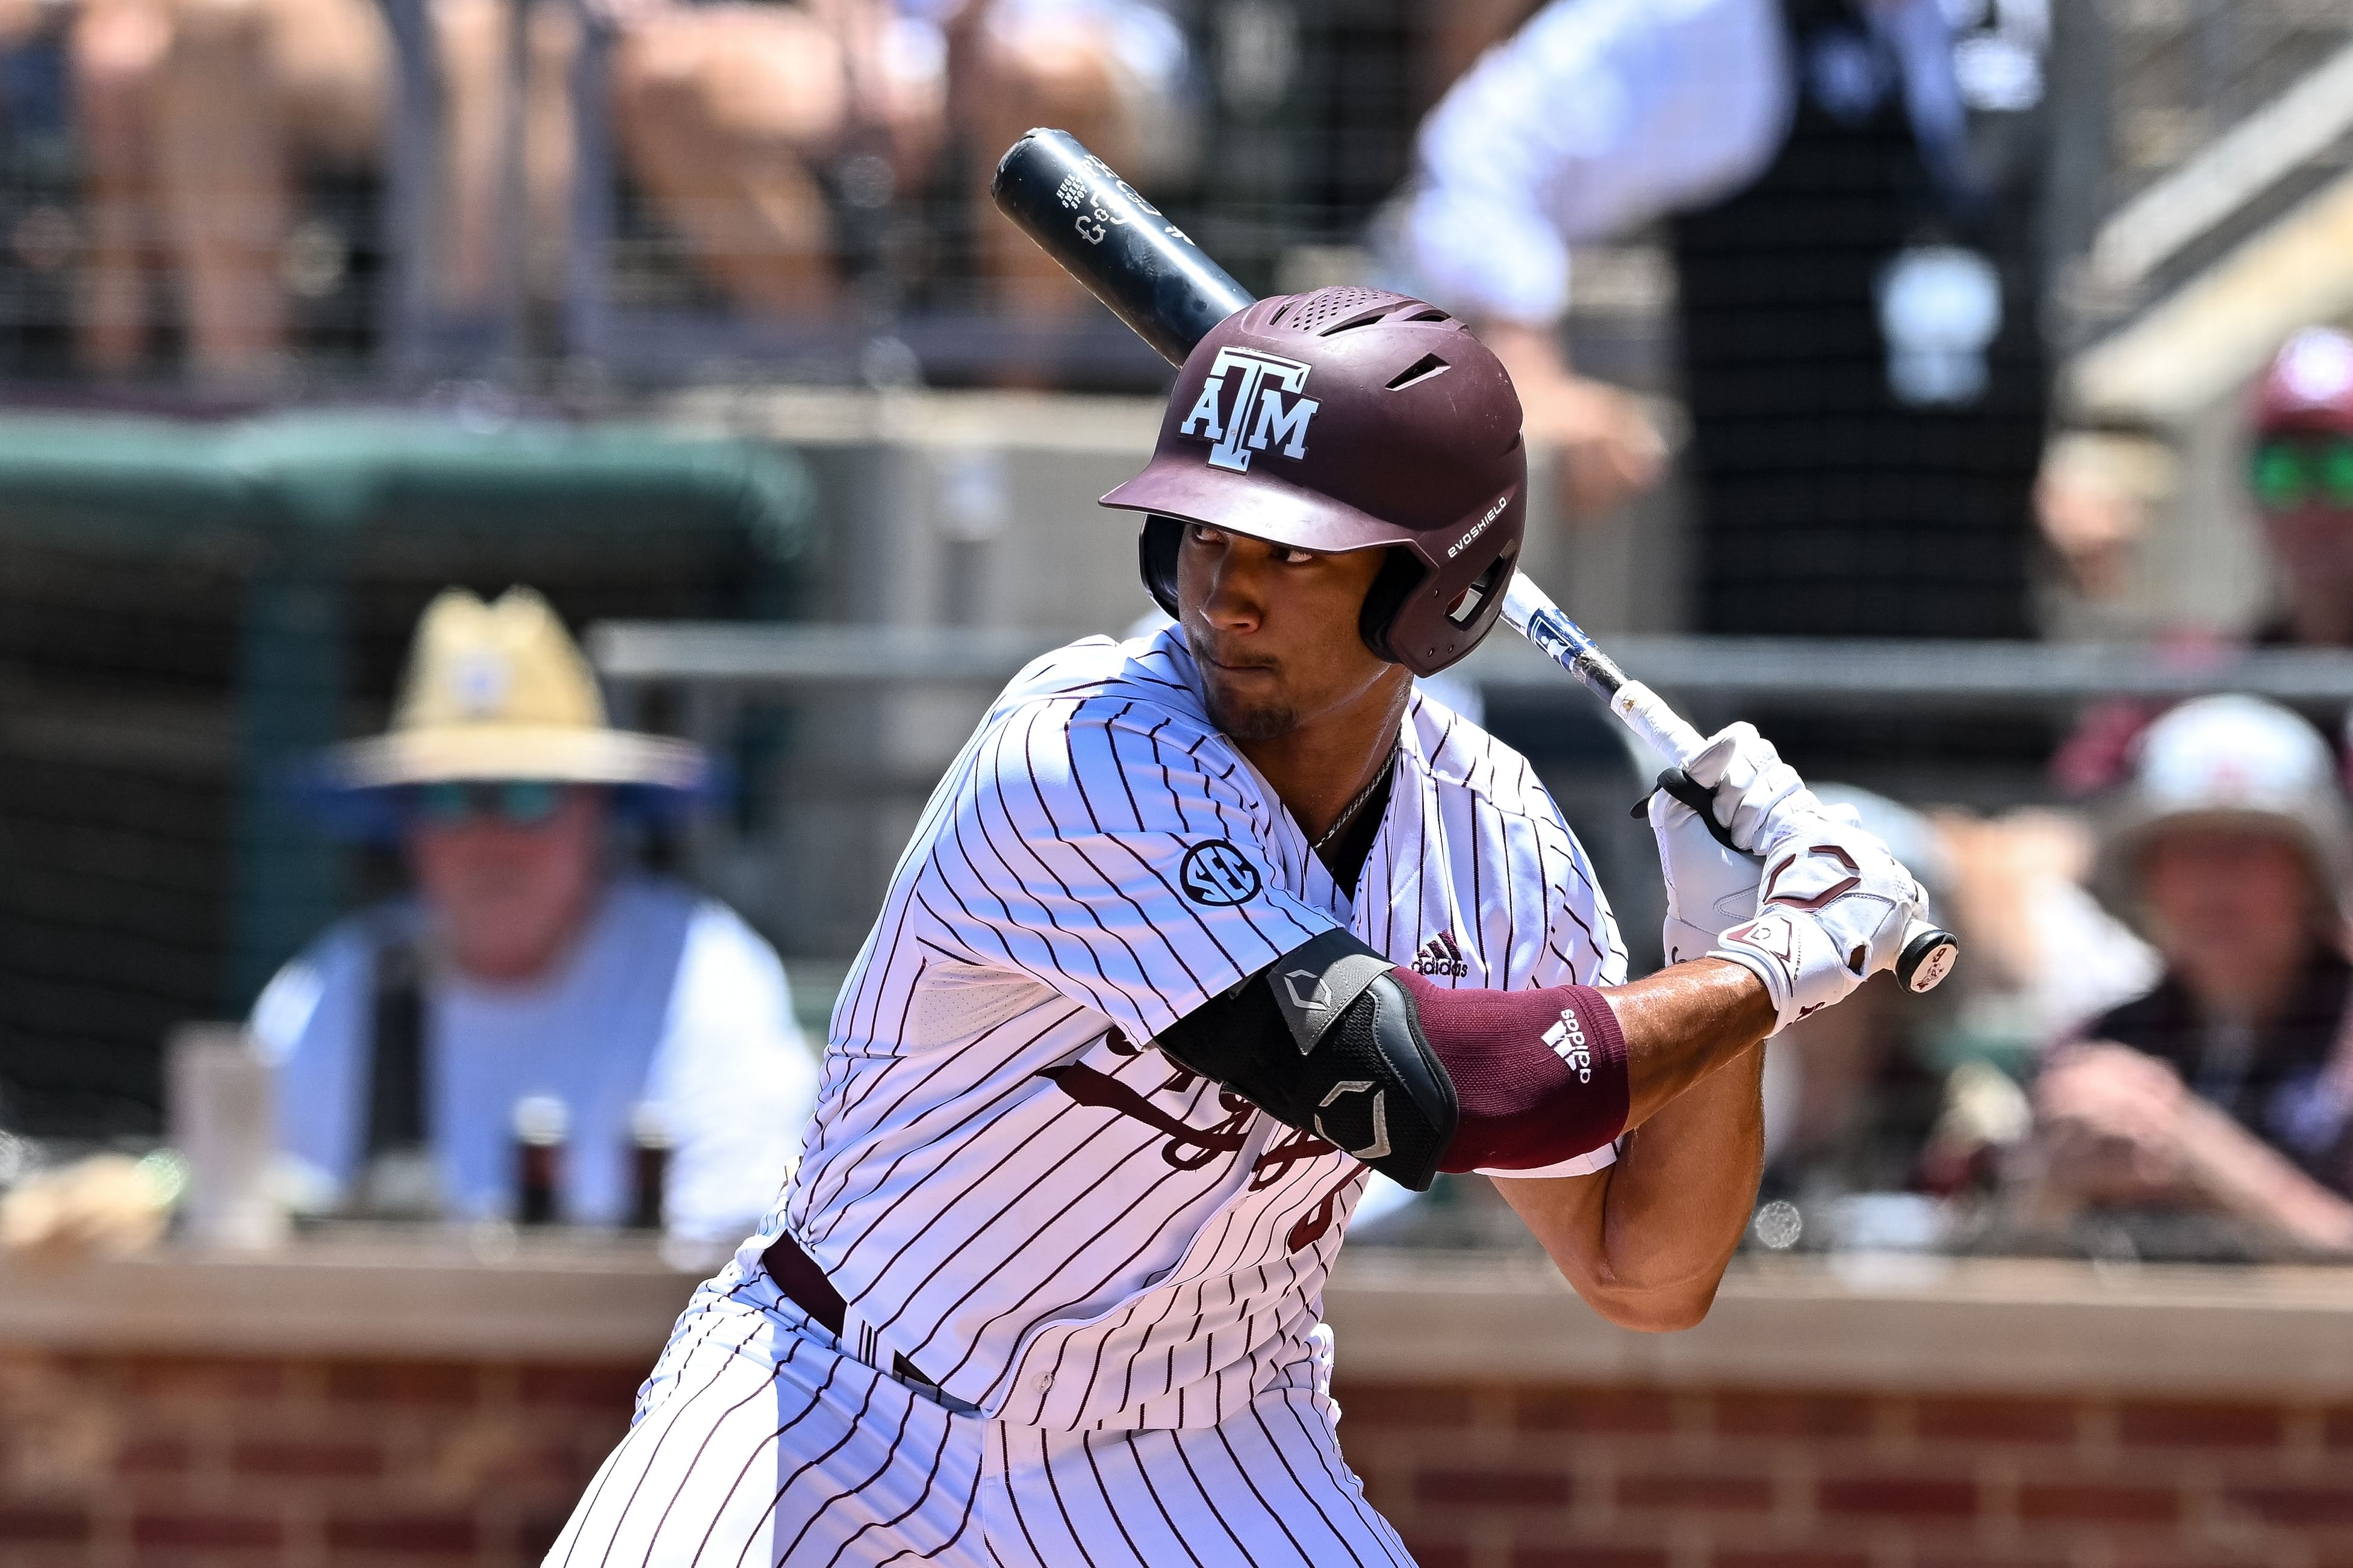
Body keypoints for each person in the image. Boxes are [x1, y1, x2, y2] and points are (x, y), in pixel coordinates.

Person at [546, 290, 1932, 1562]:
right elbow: (1420, 1087)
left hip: (1194, 1445)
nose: (1229, 589)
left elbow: (1645, 1270)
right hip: (840, 1397)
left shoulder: (1493, 843)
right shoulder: (1080, 759)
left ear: (1428, 589)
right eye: (1204, 532)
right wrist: (1780, 962)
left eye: (1294, 553)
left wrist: (1714, 943)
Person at [1381, 0, 2060, 637]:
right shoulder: (1716, 19)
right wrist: (1527, 371)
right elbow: (1481, 156)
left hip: (1993, 582)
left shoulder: (2004, 20)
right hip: (1796, 602)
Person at [249, 586, 818, 1242]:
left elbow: (738, 1257)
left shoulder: (705, 977)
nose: (489, 838)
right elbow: (262, 1238)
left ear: (595, 812)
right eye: (450, 798)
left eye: (526, 794)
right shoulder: (330, 995)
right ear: (406, 826)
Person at [2027, 695, 2353, 1254]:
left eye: (2247, 850)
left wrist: (2198, 1150)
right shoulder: (2103, 1041)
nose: (2215, 886)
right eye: (2189, 852)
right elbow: (1999, 1264)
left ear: (2312, 873)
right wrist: (2051, 1191)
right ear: (2145, 875)